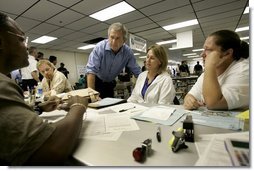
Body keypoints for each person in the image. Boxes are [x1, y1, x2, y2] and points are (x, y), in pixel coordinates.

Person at [0, 12, 88, 165]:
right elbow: (51, 149)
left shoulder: (59, 75)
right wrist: (78, 106)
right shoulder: (2, 85)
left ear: (52, 67)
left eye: (47, 70)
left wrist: (38, 108)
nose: (26, 46)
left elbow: (49, 94)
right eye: (21, 39)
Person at [184, 30, 249, 110]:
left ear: (227, 53)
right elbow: (190, 95)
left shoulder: (244, 70)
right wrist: (189, 100)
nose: (202, 54)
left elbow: (213, 104)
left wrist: (210, 65)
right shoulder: (208, 73)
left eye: (208, 50)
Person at [86, 22, 141, 98]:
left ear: (124, 40)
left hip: (109, 84)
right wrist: (91, 94)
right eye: (112, 37)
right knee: (93, 105)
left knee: (108, 107)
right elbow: (91, 71)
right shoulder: (100, 48)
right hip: (95, 81)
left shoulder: (128, 52)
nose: (114, 42)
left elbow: (137, 72)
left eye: (118, 38)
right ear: (108, 37)